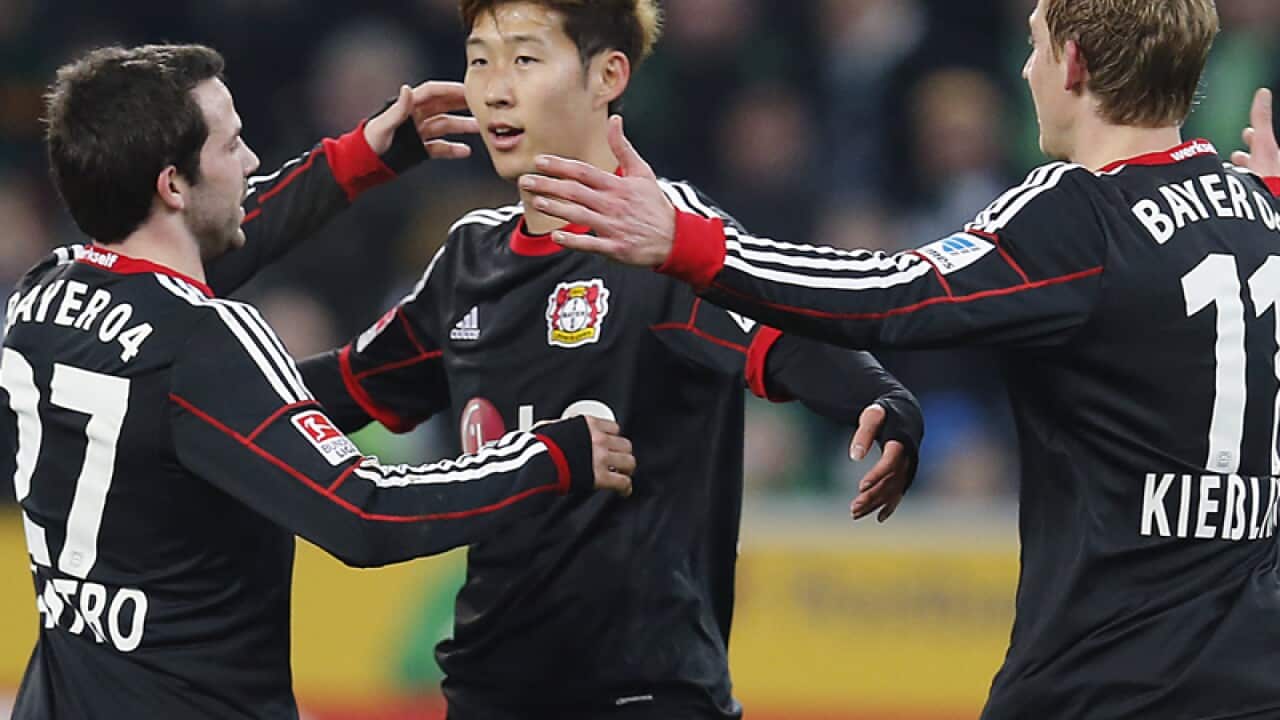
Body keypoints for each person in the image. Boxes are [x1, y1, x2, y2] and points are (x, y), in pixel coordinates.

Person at [523, 0, 1280, 717]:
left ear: (1073, 62)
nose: (1025, 71)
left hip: (1109, 678)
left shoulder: (1080, 210)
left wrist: (689, 240)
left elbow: (894, 294)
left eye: (1035, 44)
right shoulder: (1259, 211)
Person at [290, 2, 924, 718]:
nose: (495, 88)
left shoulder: (665, 240)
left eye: (525, 60)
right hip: (488, 691)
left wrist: (878, 398)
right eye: (478, 60)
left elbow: (784, 333)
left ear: (608, 76)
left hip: (644, 692)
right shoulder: (468, 256)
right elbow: (344, 386)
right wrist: (189, 376)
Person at [3, 43, 635, 720]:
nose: (250, 164)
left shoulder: (40, 295)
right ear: (172, 184)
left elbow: (204, 292)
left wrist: (361, 158)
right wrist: (547, 457)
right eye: (233, 144)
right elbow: (364, 514)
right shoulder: (205, 342)